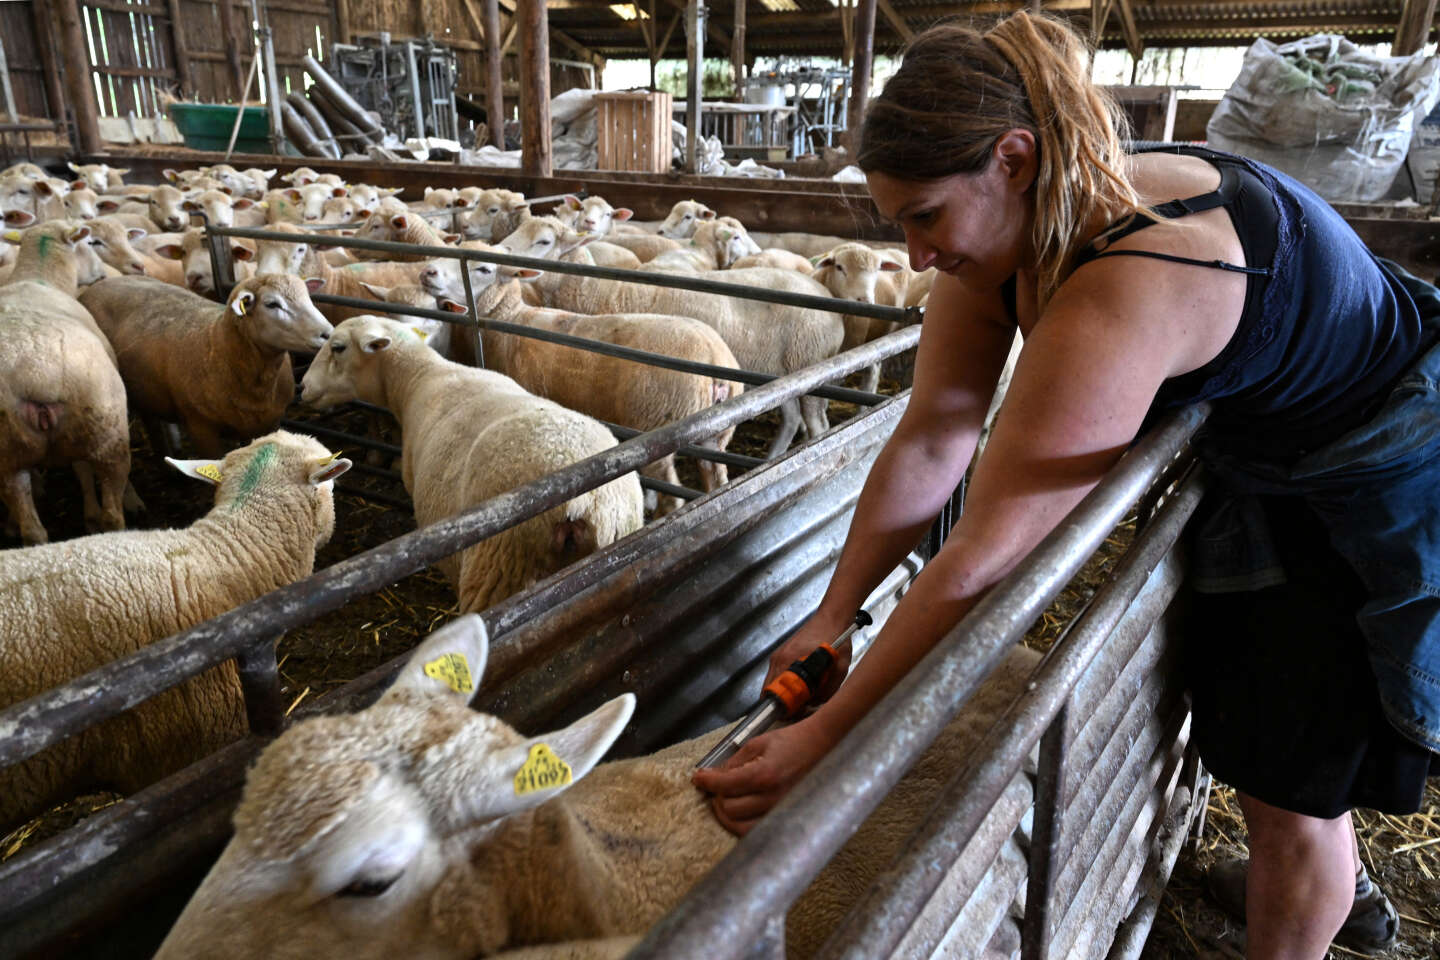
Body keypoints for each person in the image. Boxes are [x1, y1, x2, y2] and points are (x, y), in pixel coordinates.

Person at [690, 11, 1440, 959]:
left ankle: (1313, 889)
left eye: (924, 217)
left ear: (1010, 158)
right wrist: (831, 613)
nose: (914, 257)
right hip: (1260, 448)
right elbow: (933, 439)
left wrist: (835, 737)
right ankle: (1301, 874)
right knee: (1257, 726)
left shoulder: (1134, 278)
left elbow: (988, 552)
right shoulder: (1014, 224)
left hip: (1372, 463)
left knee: (1297, 787)